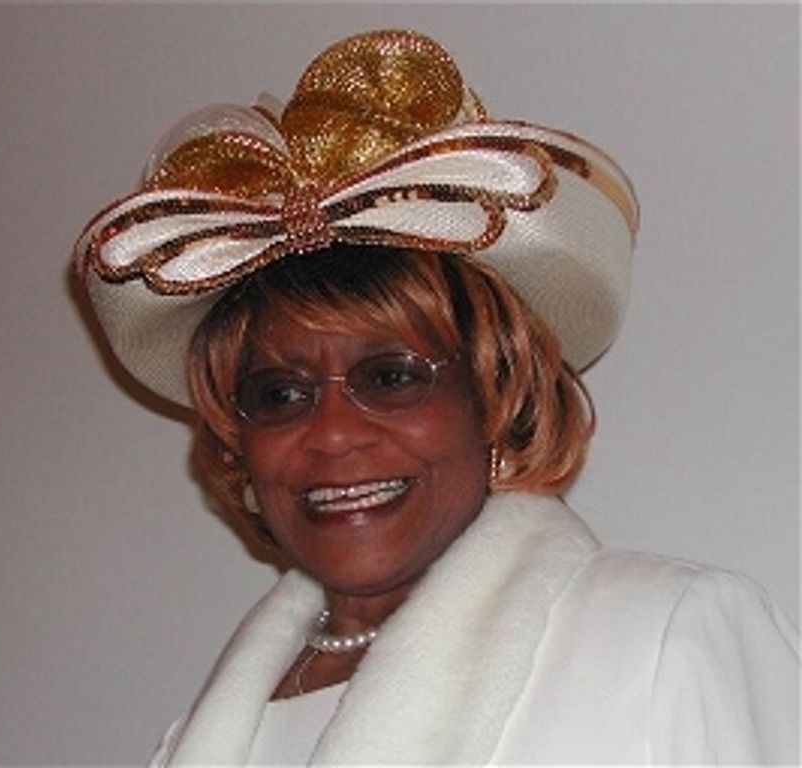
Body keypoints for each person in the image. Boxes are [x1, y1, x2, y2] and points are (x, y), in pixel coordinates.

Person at [74, 30, 798, 765]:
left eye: (390, 377)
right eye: (280, 393)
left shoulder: (664, 641)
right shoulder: (195, 742)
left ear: (497, 396)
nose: (331, 433)